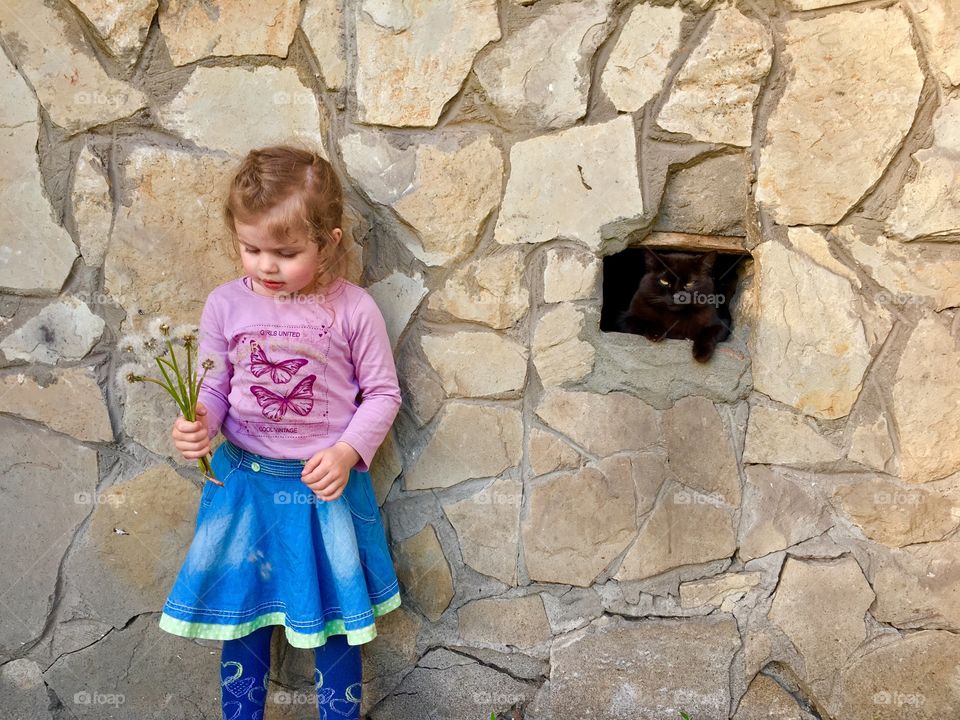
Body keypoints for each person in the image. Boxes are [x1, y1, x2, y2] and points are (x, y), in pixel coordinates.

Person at [160, 145, 403, 720]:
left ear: (330, 243)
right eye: (252, 249)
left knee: (337, 623)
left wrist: (346, 453)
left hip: (326, 493)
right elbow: (215, 386)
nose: (267, 265)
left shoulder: (353, 310)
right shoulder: (224, 306)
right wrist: (201, 423)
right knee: (240, 620)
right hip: (245, 487)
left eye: (287, 252)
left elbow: (383, 394)